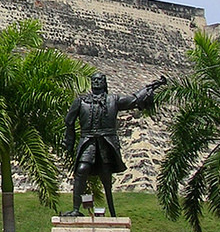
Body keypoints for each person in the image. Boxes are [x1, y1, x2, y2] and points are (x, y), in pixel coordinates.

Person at [62, 72, 166, 217]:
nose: (97, 82)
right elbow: (69, 121)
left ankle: (112, 212)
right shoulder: (81, 101)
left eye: (100, 80)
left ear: (104, 83)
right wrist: (69, 140)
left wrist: (150, 88)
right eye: (94, 80)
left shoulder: (113, 99)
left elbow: (134, 100)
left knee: (106, 176)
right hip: (88, 141)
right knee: (81, 170)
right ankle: (75, 209)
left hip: (106, 143)